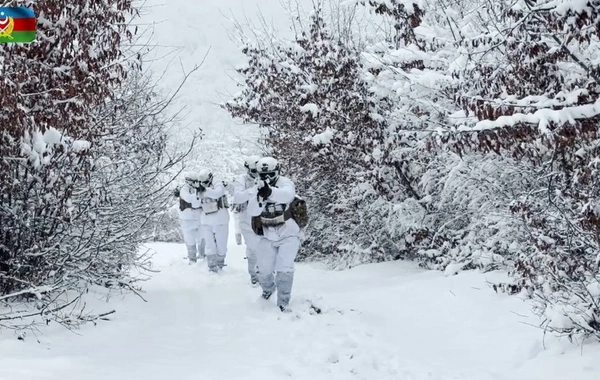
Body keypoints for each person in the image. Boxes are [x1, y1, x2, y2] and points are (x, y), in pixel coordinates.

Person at [247, 157, 301, 312]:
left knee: (284, 266)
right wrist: (260, 197)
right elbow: (252, 210)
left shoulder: (285, 183)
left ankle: (283, 301)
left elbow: (287, 196)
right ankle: (268, 291)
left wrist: (269, 192)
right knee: (263, 269)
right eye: (263, 175)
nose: (266, 178)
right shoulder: (256, 187)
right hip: (266, 233)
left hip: (288, 232)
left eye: (270, 174)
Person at [232, 155, 262, 285]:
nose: (256, 174)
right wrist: (254, 190)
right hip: (247, 220)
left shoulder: (266, 178)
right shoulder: (241, 180)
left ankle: (267, 274)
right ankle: (255, 277)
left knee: (267, 248)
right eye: (254, 171)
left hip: (266, 219)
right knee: (253, 249)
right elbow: (238, 197)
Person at [197, 169, 230, 273]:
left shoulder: (218, 184)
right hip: (206, 221)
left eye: (206, 182)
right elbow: (196, 202)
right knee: (210, 245)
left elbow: (217, 193)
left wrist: (205, 191)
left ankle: (220, 264)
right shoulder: (199, 188)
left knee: (221, 246)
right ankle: (212, 267)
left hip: (220, 220)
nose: (204, 184)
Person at [177, 172, 206, 264]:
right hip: (187, 218)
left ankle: (202, 256)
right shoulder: (184, 189)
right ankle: (192, 258)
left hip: (199, 217)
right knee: (190, 239)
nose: (196, 183)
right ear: (189, 181)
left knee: (202, 237)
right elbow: (190, 199)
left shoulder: (199, 189)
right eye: (194, 181)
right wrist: (198, 194)